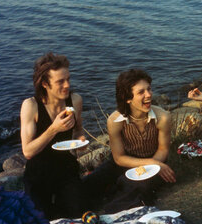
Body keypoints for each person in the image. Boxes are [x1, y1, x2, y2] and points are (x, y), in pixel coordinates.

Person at [20, 52, 87, 219]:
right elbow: (28, 152)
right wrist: (53, 129)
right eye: (60, 82)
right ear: (44, 84)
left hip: (66, 168)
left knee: (78, 213)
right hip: (38, 174)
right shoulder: (31, 106)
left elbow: (78, 130)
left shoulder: (75, 100)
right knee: (40, 217)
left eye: (68, 79)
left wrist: (81, 141)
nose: (67, 85)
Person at [101, 69, 176, 213]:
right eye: (141, 92)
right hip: (125, 162)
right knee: (91, 183)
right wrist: (151, 163)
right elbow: (119, 158)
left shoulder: (163, 117)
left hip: (155, 161)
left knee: (137, 184)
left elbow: (163, 150)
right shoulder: (114, 121)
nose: (149, 95)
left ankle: (112, 212)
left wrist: (153, 165)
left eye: (149, 89)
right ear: (127, 98)